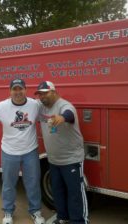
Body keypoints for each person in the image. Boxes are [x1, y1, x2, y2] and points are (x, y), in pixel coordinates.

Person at [0, 79, 45, 224]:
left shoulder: (34, 104)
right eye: (14, 89)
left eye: (20, 89)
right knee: (9, 183)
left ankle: (35, 211)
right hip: (9, 152)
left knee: (33, 182)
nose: (18, 92)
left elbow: (46, 111)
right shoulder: (2, 106)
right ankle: (8, 212)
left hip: (30, 151)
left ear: (25, 90)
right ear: (10, 91)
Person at [35, 81, 89, 224]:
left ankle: (80, 220)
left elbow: (69, 114)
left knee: (75, 193)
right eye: (40, 94)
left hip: (71, 158)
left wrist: (62, 117)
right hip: (53, 160)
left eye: (45, 92)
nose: (42, 96)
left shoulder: (64, 105)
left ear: (54, 92)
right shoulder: (41, 107)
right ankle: (62, 217)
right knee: (58, 191)